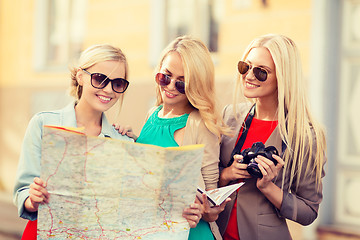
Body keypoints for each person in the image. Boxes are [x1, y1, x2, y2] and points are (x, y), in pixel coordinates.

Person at [13, 44, 201, 239]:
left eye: (118, 83)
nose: (109, 90)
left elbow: (137, 209)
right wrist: (31, 199)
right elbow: (23, 190)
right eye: (100, 79)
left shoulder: (123, 142)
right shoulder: (43, 124)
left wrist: (180, 215)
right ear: (80, 76)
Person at [117, 35, 232, 240]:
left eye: (181, 83)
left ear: (196, 85)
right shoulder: (153, 113)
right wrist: (130, 140)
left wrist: (203, 208)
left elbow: (211, 197)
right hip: (155, 230)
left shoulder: (200, 123)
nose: (170, 86)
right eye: (165, 76)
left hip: (190, 233)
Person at [216, 34, 327, 240]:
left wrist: (269, 188)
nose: (249, 76)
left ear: (283, 77)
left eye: (261, 72)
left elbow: (309, 211)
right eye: (245, 67)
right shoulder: (229, 116)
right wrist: (227, 174)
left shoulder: (304, 136)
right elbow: (207, 177)